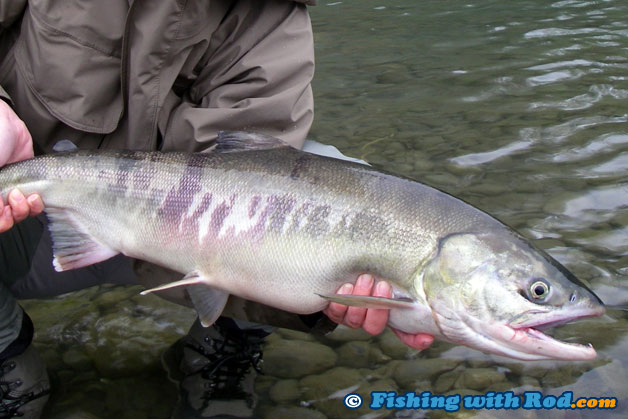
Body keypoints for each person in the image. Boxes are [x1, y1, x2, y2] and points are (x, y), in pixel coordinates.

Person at [0, 1, 433, 418]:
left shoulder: (275, 21)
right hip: (30, 214)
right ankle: (9, 356)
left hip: (181, 234)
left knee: (338, 194)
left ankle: (221, 350)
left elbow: (255, 176)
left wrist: (324, 294)